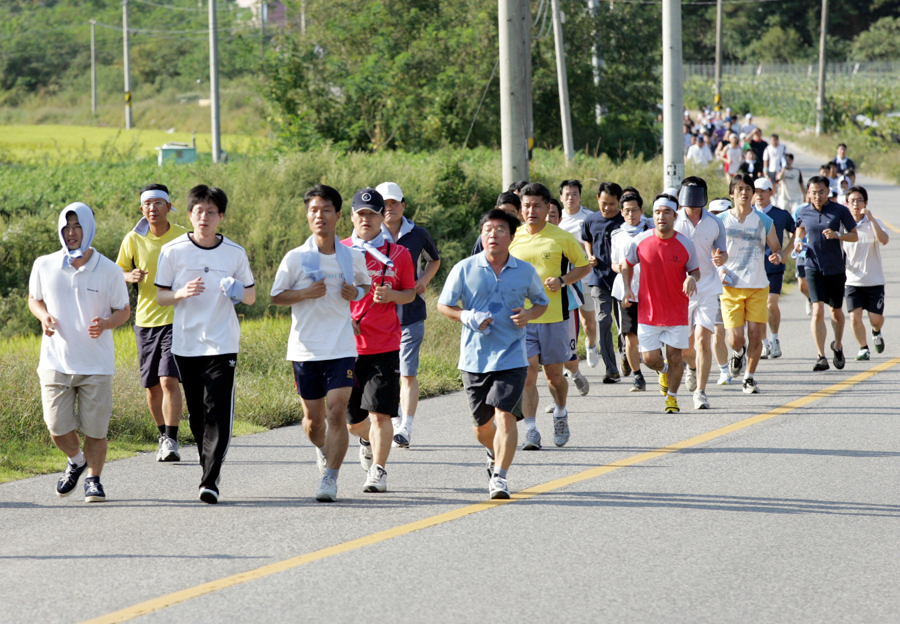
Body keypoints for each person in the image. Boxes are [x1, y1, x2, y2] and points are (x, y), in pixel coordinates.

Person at [437, 209, 549, 499]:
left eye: (500, 229)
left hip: (512, 355)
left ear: (511, 237)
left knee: (505, 417)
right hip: (474, 358)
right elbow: (443, 305)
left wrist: (528, 314)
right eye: (487, 229)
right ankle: (492, 450)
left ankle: (500, 477)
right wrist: (466, 317)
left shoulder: (524, 270)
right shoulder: (464, 268)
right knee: (482, 427)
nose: (493, 234)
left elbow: (541, 303)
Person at [270, 185, 371, 502]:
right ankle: (323, 448)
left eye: (326, 209)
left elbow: (365, 285)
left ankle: (331, 477)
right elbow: (275, 296)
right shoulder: (296, 258)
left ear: (338, 216)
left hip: (341, 347)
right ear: (307, 215)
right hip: (305, 349)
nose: (320, 215)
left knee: (337, 411)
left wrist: (355, 294)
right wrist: (303, 294)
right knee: (314, 423)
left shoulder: (352, 256)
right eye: (314, 210)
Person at [156, 186, 255, 504]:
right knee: (198, 414)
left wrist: (237, 290)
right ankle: (207, 466)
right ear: (189, 215)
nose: (204, 217)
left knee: (218, 411)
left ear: (220, 217)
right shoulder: (173, 252)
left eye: (211, 212)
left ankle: (210, 479)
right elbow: (160, 297)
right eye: (198, 211)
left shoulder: (234, 253)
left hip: (222, 343)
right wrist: (180, 294)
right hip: (186, 344)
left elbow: (251, 296)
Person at [29, 203, 131, 503]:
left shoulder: (110, 270)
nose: (71, 233)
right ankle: (76, 460)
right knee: (56, 426)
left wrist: (107, 323)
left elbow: (124, 310)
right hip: (55, 360)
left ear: (88, 229)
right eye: (66, 228)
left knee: (96, 431)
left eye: (77, 227)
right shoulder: (44, 265)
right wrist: (43, 316)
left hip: (96, 364)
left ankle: (94, 480)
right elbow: (34, 299)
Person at [341, 188, 416, 492]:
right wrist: (344, 320)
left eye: (372, 214)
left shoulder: (399, 254)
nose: (366, 219)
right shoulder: (339, 250)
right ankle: (365, 439)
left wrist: (392, 295)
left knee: (380, 414)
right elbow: (329, 294)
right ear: (352, 217)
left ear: (381, 217)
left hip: (385, 345)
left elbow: (410, 292)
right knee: (351, 421)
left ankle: (379, 470)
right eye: (361, 214)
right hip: (345, 347)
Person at [508, 183, 590, 450]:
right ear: (521, 209)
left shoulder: (561, 237)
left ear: (547, 208)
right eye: (526, 205)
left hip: (554, 316)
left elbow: (584, 265)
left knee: (553, 376)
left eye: (537, 205)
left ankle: (560, 412)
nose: (531, 210)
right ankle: (531, 430)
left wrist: (563, 280)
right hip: (522, 319)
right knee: (528, 375)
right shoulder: (513, 237)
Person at [115, 184, 188, 462]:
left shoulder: (183, 236)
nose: (153, 209)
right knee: (151, 386)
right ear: (141, 209)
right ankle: (162, 434)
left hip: (177, 318)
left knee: (168, 379)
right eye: (148, 204)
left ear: (169, 207)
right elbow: (117, 271)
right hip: (145, 320)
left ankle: (171, 438)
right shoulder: (133, 238)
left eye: (159, 203)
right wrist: (129, 276)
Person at [375, 182, 441, 450]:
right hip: (377, 317)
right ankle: (392, 418)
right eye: (385, 204)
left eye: (394, 203)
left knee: (407, 372)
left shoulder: (417, 234)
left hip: (411, 312)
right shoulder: (368, 235)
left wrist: (423, 280)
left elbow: (434, 260)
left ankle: (406, 427)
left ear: (403, 205)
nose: (389, 208)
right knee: (385, 372)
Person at [621, 195, 700, 414]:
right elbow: (626, 265)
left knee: (676, 357)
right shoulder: (640, 241)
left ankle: (672, 399)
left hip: (676, 312)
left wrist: (691, 278)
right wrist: (627, 288)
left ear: (675, 216)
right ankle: (662, 370)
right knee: (649, 359)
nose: (661, 216)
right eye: (657, 212)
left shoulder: (685, 244)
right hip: (649, 312)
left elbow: (695, 270)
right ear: (652, 215)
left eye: (666, 212)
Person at [717, 174, 783, 394]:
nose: (744, 193)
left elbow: (776, 248)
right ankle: (738, 353)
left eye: (748, 189)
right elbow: (711, 250)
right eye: (739, 189)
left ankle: (749, 377)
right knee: (736, 339)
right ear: (732, 193)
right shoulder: (721, 221)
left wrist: (776, 256)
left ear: (753, 194)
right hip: (730, 285)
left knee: (755, 335)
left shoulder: (764, 221)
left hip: (757, 285)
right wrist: (718, 265)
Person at [674, 177, 728, 410]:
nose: (693, 206)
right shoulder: (674, 220)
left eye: (698, 200)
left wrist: (720, 258)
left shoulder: (715, 222)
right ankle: (692, 367)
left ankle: (701, 392)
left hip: (706, 288)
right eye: (689, 200)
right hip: (680, 291)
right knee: (686, 348)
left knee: (703, 341)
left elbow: (724, 253)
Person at [794, 176, 858, 371]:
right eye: (813, 192)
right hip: (812, 266)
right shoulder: (804, 211)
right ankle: (821, 356)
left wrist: (838, 234)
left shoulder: (840, 210)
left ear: (828, 191)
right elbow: (800, 230)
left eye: (821, 192)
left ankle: (837, 345)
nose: (817, 196)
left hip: (835, 268)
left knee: (836, 311)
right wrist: (798, 241)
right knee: (817, 310)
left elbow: (854, 235)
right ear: (808, 193)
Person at [581, 182, 625, 383]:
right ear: (598, 198)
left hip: (623, 279)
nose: (607, 208)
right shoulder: (590, 220)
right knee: (603, 321)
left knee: (623, 324)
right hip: (599, 278)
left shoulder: (625, 220)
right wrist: (589, 255)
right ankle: (611, 369)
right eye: (604, 203)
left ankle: (626, 354)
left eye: (612, 204)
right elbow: (587, 239)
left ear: (619, 202)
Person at [610, 190, 652, 392]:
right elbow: (613, 263)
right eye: (627, 211)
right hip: (626, 291)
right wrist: (622, 267)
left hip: (651, 289)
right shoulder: (617, 235)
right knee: (630, 336)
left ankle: (661, 367)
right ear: (621, 212)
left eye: (635, 210)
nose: (631, 214)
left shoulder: (651, 229)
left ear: (642, 210)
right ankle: (637, 376)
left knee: (652, 334)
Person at [558, 179, 600, 379]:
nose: (571, 198)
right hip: (565, 279)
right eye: (567, 194)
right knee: (567, 323)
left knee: (588, 322)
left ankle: (591, 345)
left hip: (585, 276)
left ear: (580, 197)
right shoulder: (556, 218)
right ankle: (569, 358)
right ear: (561, 197)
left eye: (574, 194)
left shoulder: (589, 217)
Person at [842, 186, 889, 360]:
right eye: (852, 201)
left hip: (874, 280)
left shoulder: (874, 222)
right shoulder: (842, 225)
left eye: (859, 200)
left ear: (866, 203)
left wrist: (871, 220)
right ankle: (863, 348)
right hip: (852, 280)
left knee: (875, 319)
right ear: (847, 204)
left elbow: (884, 240)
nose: (856, 204)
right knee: (854, 318)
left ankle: (876, 331)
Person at [753, 178, 795, 360]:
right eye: (756, 191)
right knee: (759, 307)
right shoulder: (748, 214)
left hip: (774, 266)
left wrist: (785, 253)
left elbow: (796, 232)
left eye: (763, 191)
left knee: (771, 303)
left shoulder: (781, 214)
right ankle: (764, 343)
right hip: (753, 268)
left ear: (771, 192)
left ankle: (775, 338)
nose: (759, 195)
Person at [707, 198, 735, 385]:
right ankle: (724, 370)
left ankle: (738, 353)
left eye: (721, 215)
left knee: (735, 337)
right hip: (713, 290)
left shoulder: (738, 236)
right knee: (718, 332)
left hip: (736, 290)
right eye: (714, 215)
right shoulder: (703, 237)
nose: (718, 219)